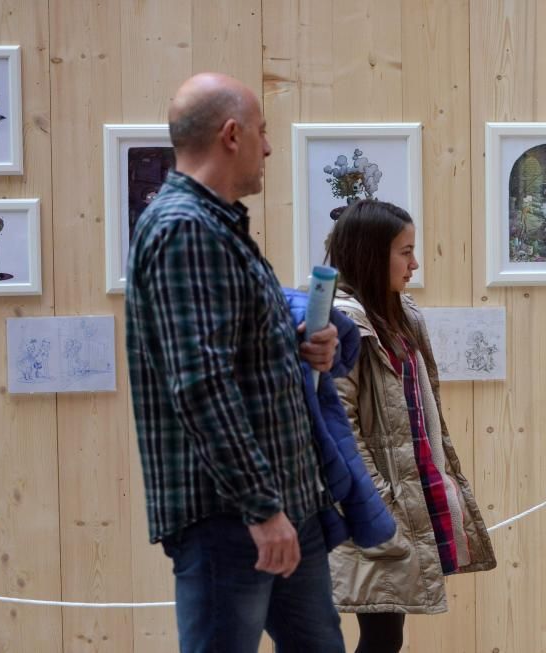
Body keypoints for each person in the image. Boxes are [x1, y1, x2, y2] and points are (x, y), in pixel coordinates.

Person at [125, 72, 345, 653]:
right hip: (237, 517)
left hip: (282, 505)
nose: (268, 147)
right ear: (231, 135)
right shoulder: (186, 231)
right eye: (263, 132)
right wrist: (263, 508)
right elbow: (199, 384)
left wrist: (296, 343)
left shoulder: (216, 227)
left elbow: (228, 355)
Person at [325, 200, 497, 653]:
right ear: (370, 253)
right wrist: (379, 501)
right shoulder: (344, 323)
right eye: (405, 251)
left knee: (386, 634)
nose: (414, 263)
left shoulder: (398, 314)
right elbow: (340, 430)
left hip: (401, 496)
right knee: (381, 636)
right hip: (372, 505)